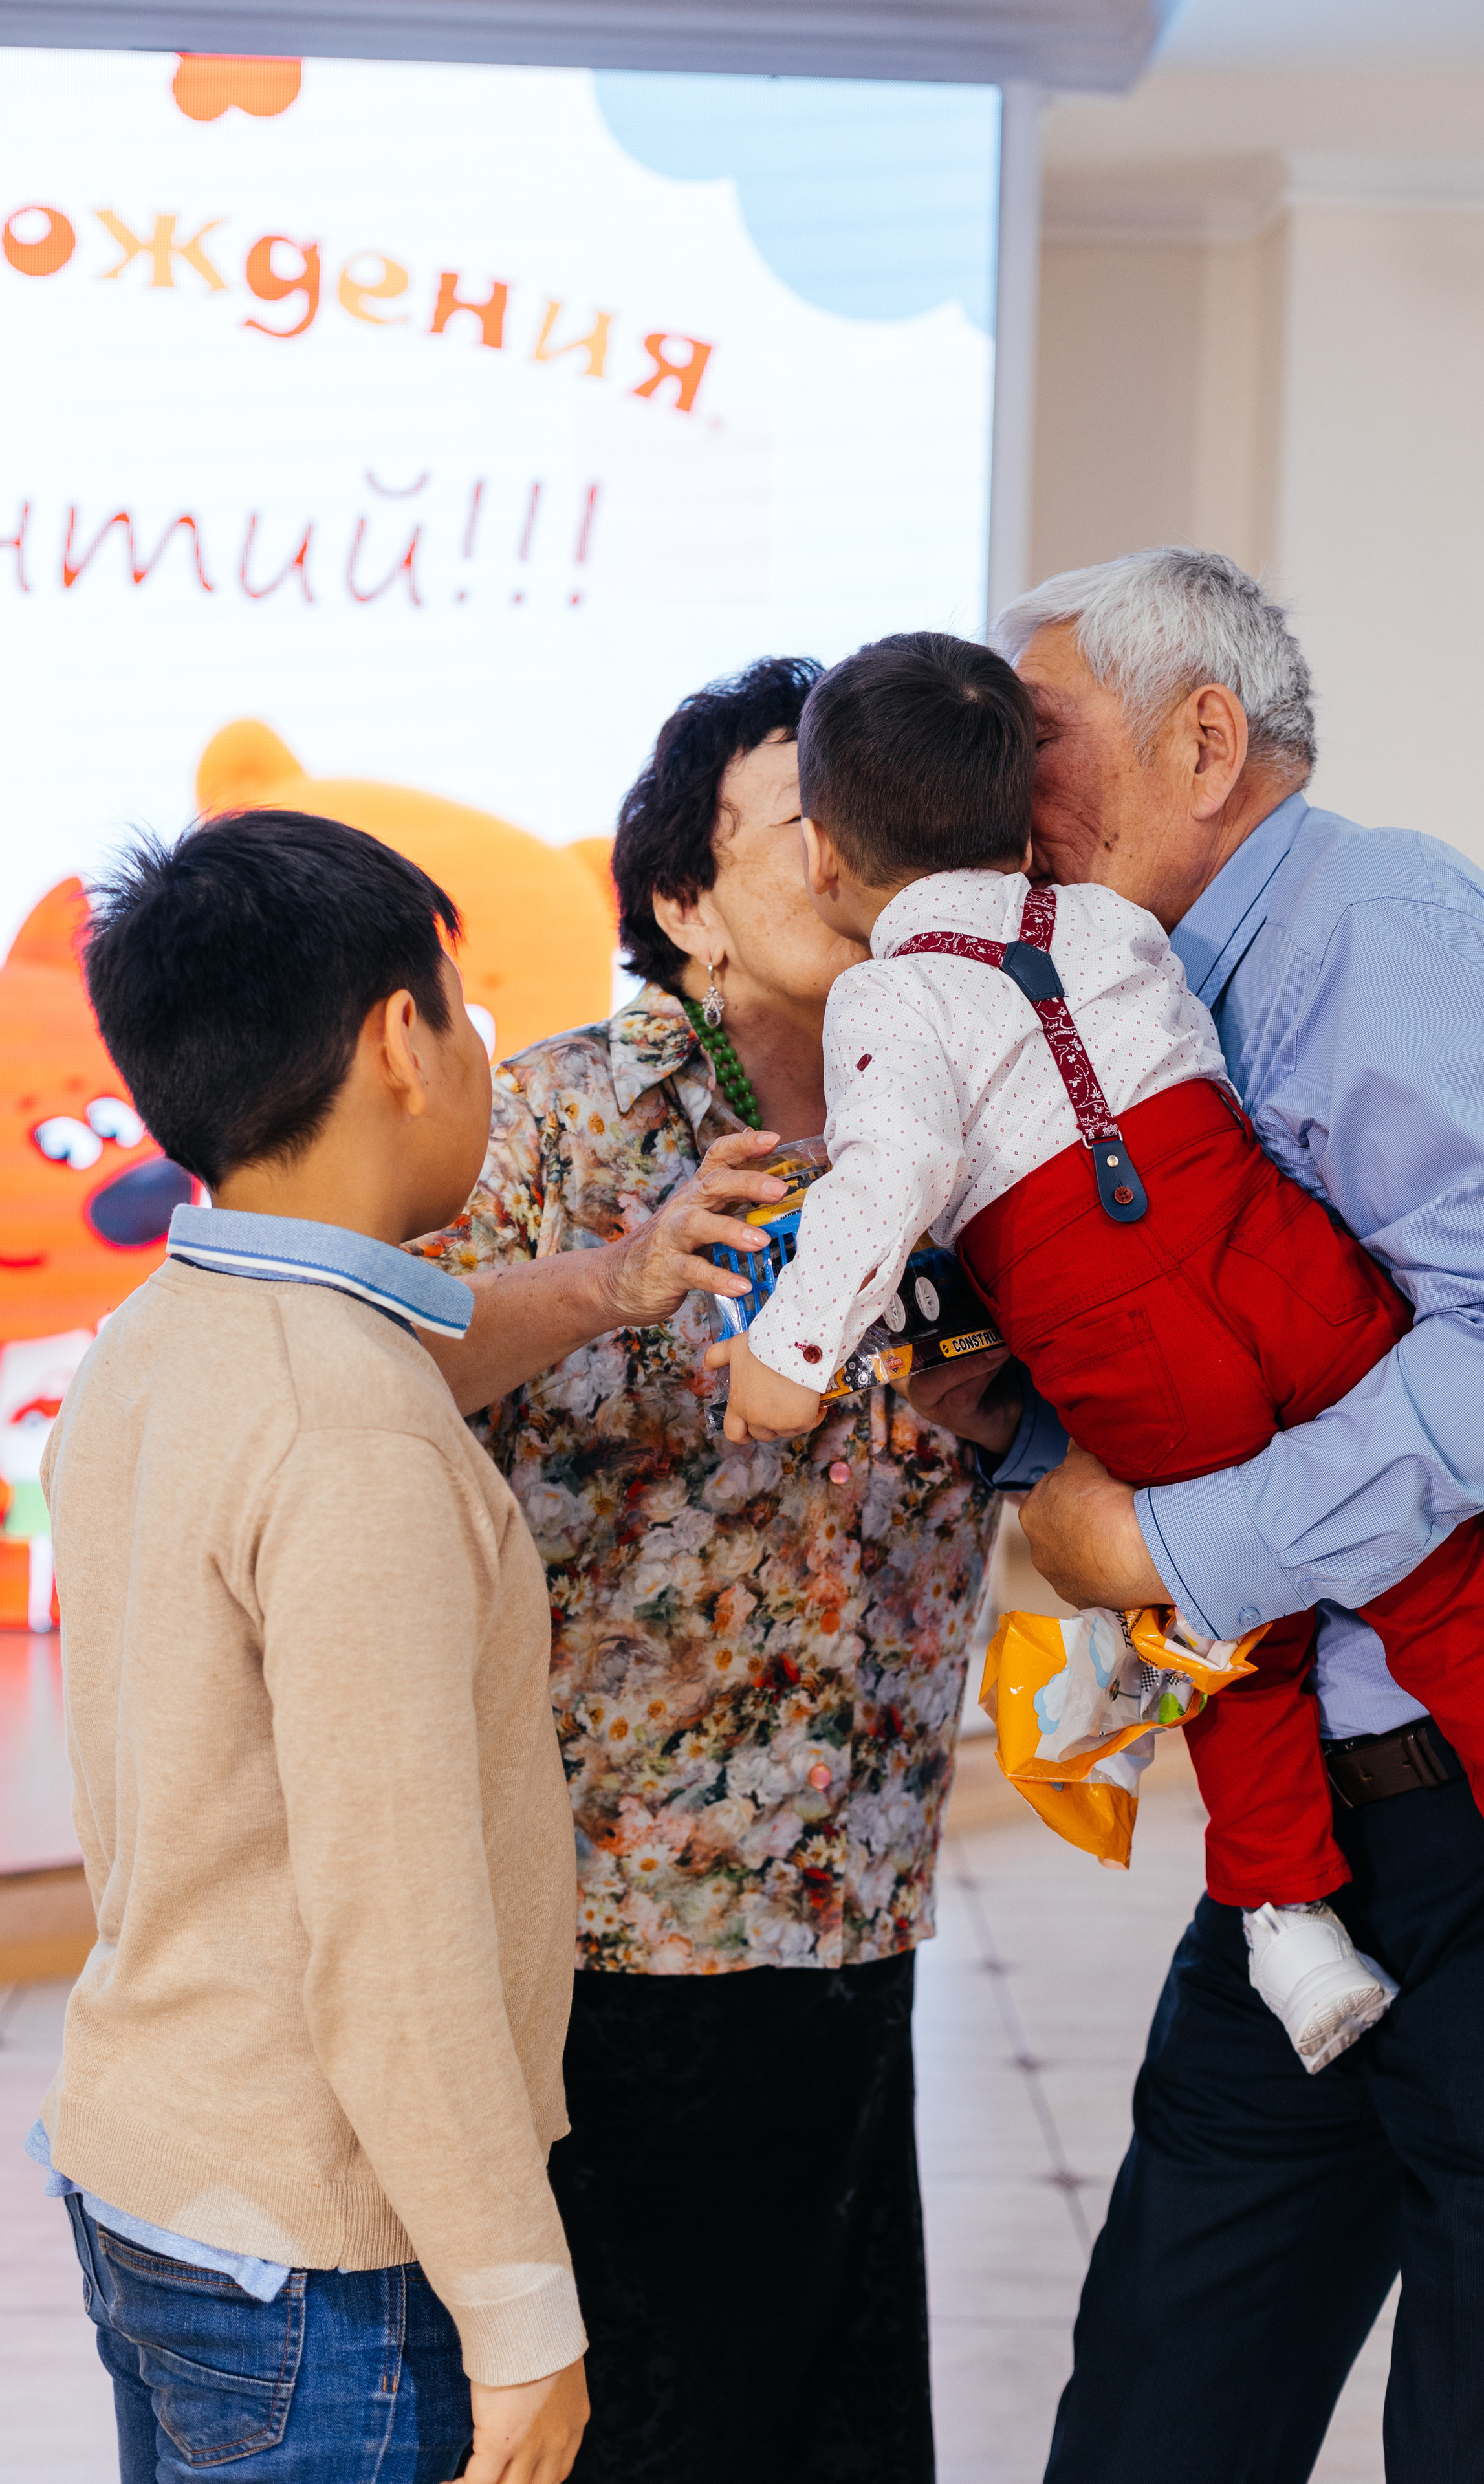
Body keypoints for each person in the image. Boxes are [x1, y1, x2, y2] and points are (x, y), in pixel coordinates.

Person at [717, 624, 1484, 2071]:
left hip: (1130, 1352)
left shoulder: (885, 994)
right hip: (1286, 1273)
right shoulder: (1108, 925)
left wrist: (782, 1359)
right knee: (1444, 1578)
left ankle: (1286, 1923)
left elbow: (887, 1173)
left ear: (828, 855)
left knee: (1230, 1634)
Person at [981, 549, 1484, 2483]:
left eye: (1034, 744)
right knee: (1161, 2410)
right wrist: (1033, 1449)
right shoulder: (1108, 1006)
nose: (993, 798)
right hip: (1309, 1841)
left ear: (1205, 738)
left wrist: (1178, 1554)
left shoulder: (1371, 928)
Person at [415, 656, 1009, 2484]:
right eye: (801, 827)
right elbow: (391, 1361)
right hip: (620, 1924)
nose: (850, 865)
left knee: (834, 2421)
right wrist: (610, 1277)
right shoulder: (550, 1119)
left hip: (860, 1895)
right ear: (683, 900)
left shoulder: (963, 1130)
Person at [37, 811, 589, 2484]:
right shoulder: (356, 1442)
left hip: (160, 2171)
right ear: (399, 1038)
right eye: (466, 998)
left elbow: (395, 1351)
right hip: (322, 2257)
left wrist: (609, 1287)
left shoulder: (161, 1336)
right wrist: (522, 2319)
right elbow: (397, 1944)